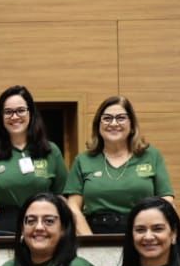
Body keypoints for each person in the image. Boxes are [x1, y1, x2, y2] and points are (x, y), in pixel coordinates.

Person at [65, 96, 174, 235]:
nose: (114, 123)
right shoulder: (83, 160)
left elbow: (166, 201)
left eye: (121, 118)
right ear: (98, 125)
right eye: (107, 118)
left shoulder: (151, 156)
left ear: (132, 124)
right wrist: (91, 242)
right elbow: (73, 207)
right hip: (94, 233)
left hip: (141, 234)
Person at [0, 86, 67, 234]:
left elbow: (63, 197)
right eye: (8, 112)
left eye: (20, 110)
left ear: (31, 113)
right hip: (6, 227)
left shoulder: (51, 151)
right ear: (1, 116)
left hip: (44, 226)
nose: (14, 117)